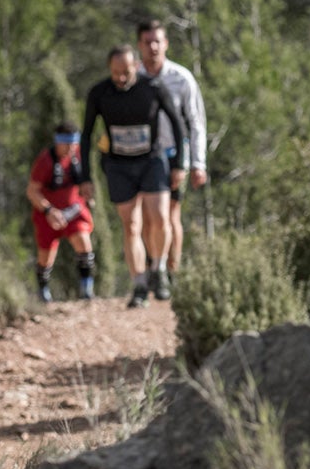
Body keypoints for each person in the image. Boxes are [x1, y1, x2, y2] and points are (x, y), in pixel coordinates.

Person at [80, 45, 187, 308]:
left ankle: (159, 269)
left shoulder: (153, 87)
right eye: (116, 72)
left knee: (160, 217)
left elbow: (177, 122)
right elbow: (86, 135)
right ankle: (139, 283)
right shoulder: (99, 93)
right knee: (131, 225)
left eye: (126, 71)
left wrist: (179, 164)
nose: (121, 77)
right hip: (118, 165)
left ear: (136, 66)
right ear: (109, 69)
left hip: (152, 159)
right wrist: (86, 177)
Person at [136, 19, 209, 301]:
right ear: (140, 45)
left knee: (169, 215)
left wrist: (197, 164)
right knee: (144, 217)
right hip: (142, 156)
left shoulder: (181, 78)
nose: (153, 47)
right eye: (147, 42)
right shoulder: (134, 77)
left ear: (166, 43)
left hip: (174, 155)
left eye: (158, 41)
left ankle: (170, 271)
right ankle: (153, 267)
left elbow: (196, 122)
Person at [26, 123, 97, 302]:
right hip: (47, 214)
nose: (71, 148)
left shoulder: (79, 156)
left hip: (73, 209)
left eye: (74, 144)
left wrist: (88, 193)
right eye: (67, 144)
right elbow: (32, 191)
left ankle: (86, 290)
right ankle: (43, 293)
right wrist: (49, 210)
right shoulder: (45, 161)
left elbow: (85, 180)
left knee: (84, 244)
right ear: (58, 142)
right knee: (46, 257)